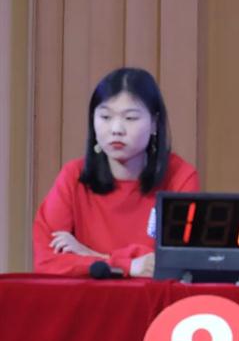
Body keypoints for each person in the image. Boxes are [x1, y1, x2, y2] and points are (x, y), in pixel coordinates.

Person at [33, 67, 200, 277]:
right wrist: (128, 265)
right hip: (88, 297)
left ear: (154, 124)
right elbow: (46, 261)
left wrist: (91, 255)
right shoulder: (73, 176)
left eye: (130, 118)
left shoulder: (180, 177)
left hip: (155, 297)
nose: (116, 129)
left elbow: (174, 264)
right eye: (105, 117)